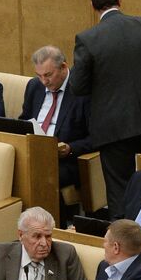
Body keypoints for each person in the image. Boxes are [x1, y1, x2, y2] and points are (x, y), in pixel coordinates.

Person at [67, 0, 141, 213]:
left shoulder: (87, 39)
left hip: (113, 126)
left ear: (92, 5)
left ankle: (122, 242)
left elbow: (78, 86)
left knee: (120, 189)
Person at [19, 45, 92, 190]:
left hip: (64, 161)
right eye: (39, 76)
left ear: (63, 67)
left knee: (37, 177)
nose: (44, 82)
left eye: (48, 75)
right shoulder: (34, 86)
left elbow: (97, 137)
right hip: (32, 153)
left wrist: (70, 148)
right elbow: (24, 120)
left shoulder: (83, 91)